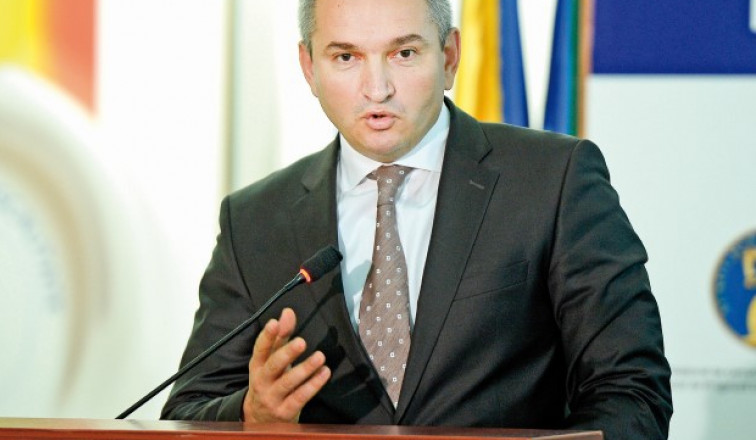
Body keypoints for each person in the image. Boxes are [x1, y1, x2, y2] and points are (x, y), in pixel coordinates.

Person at [161, 0, 672, 438]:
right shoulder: (254, 220)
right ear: (309, 67)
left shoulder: (552, 181)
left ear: (449, 57)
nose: (377, 88)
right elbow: (187, 409)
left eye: (403, 53)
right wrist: (252, 414)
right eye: (346, 57)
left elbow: (630, 390)